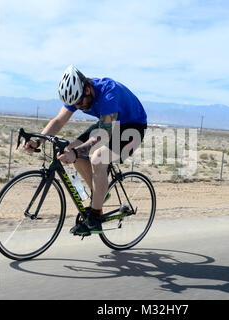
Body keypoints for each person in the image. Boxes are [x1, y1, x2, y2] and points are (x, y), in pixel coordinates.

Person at [24, 65, 147, 235]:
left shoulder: (108, 92)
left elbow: (103, 134)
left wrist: (76, 152)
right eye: (74, 104)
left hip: (133, 127)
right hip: (109, 123)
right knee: (70, 148)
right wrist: (38, 141)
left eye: (80, 102)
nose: (79, 107)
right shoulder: (78, 95)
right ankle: (100, 195)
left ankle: (95, 218)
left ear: (87, 89)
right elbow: (59, 121)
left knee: (98, 158)